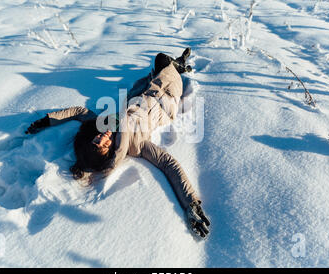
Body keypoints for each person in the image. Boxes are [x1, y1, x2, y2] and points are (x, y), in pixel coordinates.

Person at [25, 48, 211, 238]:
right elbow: (168, 164)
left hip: (148, 86)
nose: (103, 136)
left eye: (97, 138)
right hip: (168, 93)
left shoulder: (106, 124)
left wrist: (46, 120)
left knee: (160, 61)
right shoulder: (136, 144)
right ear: (109, 151)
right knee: (163, 60)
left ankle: (176, 65)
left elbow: (79, 112)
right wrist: (191, 204)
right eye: (104, 143)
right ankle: (176, 66)